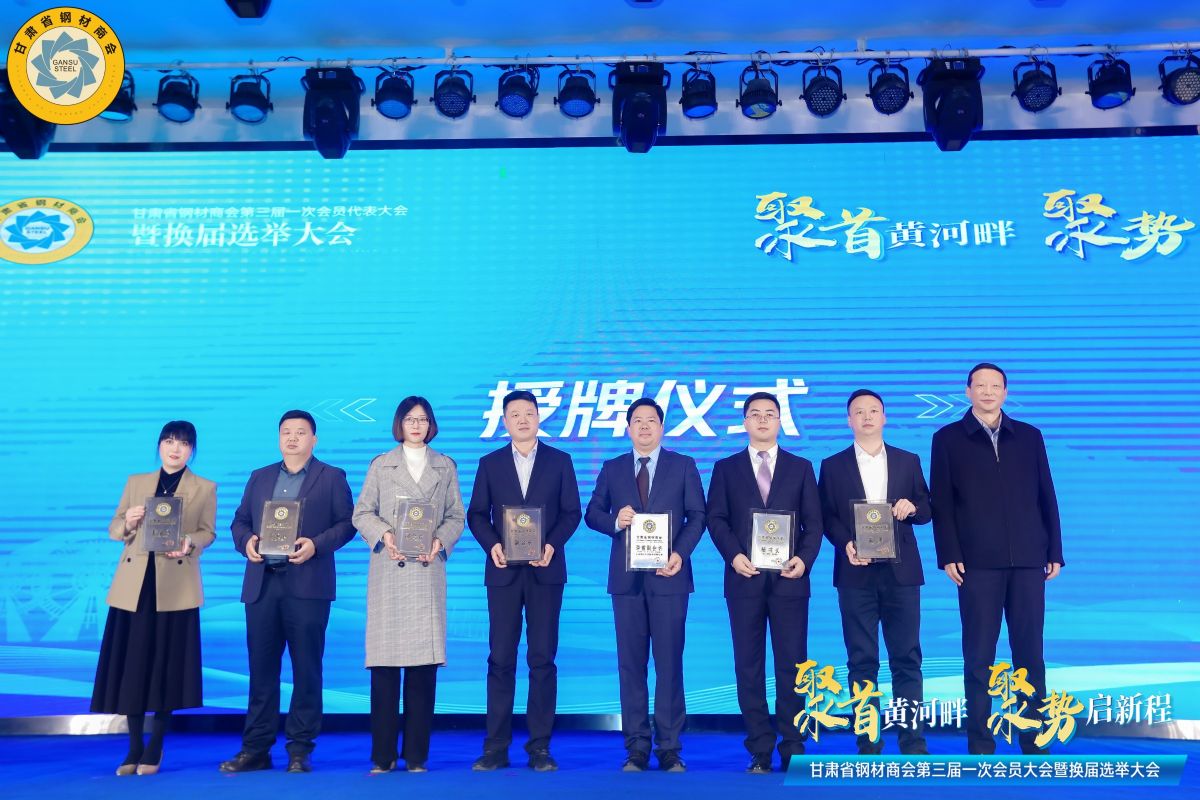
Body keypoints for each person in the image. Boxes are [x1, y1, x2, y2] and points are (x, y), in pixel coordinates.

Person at [930, 363, 1064, 754]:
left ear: (1005, 392)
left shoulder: (1029, 436)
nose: (988, 392)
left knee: (1030, 653)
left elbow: (1046, 495)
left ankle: (1034, 738)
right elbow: (942, 502)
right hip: (976, 563)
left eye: (995, 386)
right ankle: (980, 741)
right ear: (967, 391)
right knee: (978, 656)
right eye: (980, 386)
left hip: (1028, 560)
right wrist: (948, 554)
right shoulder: (948, 438)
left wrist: (1054, 550)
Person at [220, 410, 355, 773]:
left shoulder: (331, 477)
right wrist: (246, 541)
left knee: (306, 670)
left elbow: (348, 524)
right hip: (263, 584)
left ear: (314, 439)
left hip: (308, 585)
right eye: (286, 432)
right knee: (261, 671)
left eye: (300, 432)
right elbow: (240, 521)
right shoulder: (260, 476)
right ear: (279, 438)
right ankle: (256, 749)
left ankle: (299, 749)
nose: (292, 438)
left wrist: (316, 545)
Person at [584, 398, 706, 773]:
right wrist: (614, 520)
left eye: (651, 420)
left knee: (669, 665)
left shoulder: (683, 465)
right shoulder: (613, 468)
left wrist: (680, 553)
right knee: (630, 666)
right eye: (637, 421)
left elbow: (697, 515)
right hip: (626, 582)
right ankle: (636, 746)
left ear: (662, 427)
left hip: (670, 578)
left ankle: (669, 747)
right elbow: (591, 514)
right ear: (628, 428)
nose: (644, 426)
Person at [706, 391, 824, 773]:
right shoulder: (725, 468)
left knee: (794, 665)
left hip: (790, 581)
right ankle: (759, 747)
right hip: (744, 579)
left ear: (780, 421)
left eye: (769, 414)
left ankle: (793, 745)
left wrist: (804, 560)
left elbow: (814, 523)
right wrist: (733, 556)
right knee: (748, 667)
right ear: (744, 422)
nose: (762, 420)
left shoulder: (801, 467)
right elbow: (715, 519)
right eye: (754, 414)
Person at [92, 420, 216, 776]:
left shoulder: (205, 488)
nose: (175, 449)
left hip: (175, 587)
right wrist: (129, 522)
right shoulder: (136, 482)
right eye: (169, 441)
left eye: (184, 443)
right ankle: (134, 746)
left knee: (166, 666)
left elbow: (208, 532)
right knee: (133, 666)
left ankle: (156, 745)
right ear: (159, 445)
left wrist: (189, 542)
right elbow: (114, 528)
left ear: (192, 450)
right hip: (135, 587)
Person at [467, 389, 582, 772]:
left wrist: (551, 545)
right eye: (514, 414)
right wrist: (492, 546)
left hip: (546, 571)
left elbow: (572, 512)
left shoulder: (560, 461)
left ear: (538, 417)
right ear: (505, 421)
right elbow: (476, 514)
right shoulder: (490, 463)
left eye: (528, 413)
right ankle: (495, 748)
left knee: (542, 659)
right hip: (502, 572)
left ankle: (540, 748)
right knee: (500, 658)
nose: (522, 419)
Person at [352, 397, 465, 773]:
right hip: (390, 569)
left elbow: (456, 515)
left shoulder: (445, 465)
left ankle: (416, 755)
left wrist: (440, 540)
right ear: (399, 424)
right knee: (385, 670)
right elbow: (361, 512)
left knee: (422, 670)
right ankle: (382, 757)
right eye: (409, 419)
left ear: (431, 425)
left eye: (423, 419)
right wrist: (385, 534)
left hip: (426, 571)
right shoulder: (381, 464)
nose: (416, 425)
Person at [817, 390, 931, 755]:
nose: (866, 417)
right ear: (848, 420)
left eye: (873, 411)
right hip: (856, 573)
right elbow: (825, 517)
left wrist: (912, 507)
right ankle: (868, 741)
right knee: (861, 660)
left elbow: (927, 508)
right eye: (858, 412)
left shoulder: (908, 460)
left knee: (907, 658)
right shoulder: (832, 465)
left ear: (884, 417)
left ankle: (912, 742)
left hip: (902, 573)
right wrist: (845, 544)